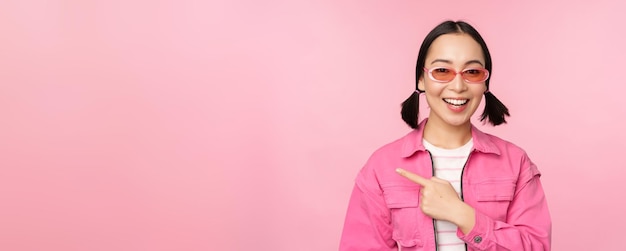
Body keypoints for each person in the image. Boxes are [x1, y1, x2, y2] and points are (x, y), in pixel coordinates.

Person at [339, 20, 551, 251]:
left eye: (472, 72)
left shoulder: (515, 162)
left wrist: (463, 215)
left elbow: (536, 247)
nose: (458, 85)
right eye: (442, 71)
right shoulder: (381, 167)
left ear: (485, 82)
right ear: (421, 79)